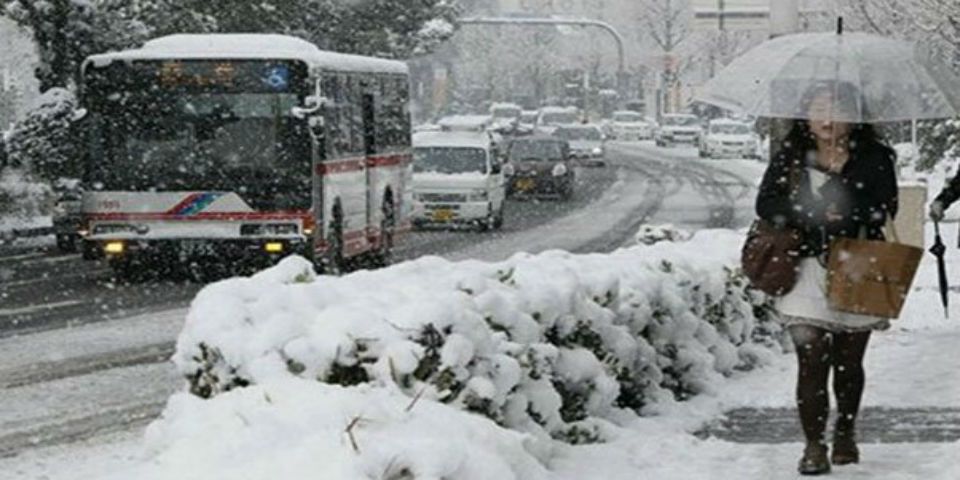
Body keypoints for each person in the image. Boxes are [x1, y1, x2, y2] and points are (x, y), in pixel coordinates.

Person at [755, 82, 898, 475]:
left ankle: (846, 432)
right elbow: (766, 202)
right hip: (807, 266)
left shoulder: (874, 157)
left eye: (837, 109)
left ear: (855, 118)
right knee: (812, 359)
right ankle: (813, 446)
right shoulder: (791, 155)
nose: (827, 117)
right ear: (806, 114)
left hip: (858, 263)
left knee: (849, 362)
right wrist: (807, 214)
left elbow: (886, 206)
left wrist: (847, 211)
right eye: (819, 107)